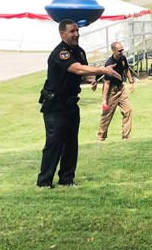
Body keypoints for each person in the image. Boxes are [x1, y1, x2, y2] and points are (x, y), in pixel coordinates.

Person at [37, 19, 122, 188]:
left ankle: (67, 179)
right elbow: (77, 69)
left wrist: (90, 78)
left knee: (71, 142)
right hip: (55, 105)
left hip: (71, 104)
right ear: (62, 34)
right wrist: (102, 70)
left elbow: (81, 73)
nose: (76, 34)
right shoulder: (61, 53)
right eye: (72, 31)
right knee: (54, 143)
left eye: (77, 30)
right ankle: (44, 182)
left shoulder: (79, 52)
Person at [97, 41, 135, 141]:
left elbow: (126, 69)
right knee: (107, 115)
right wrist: (104, 100)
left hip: (121, 89)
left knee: (128, 110)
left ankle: (126, 136)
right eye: (120, 50)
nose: (122, 52)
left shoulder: (122, 58)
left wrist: (131, 82)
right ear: (113, 51)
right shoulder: (110, 63)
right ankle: (101, 137)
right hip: (111, 92)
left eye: (122, 49)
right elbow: (106, 83)